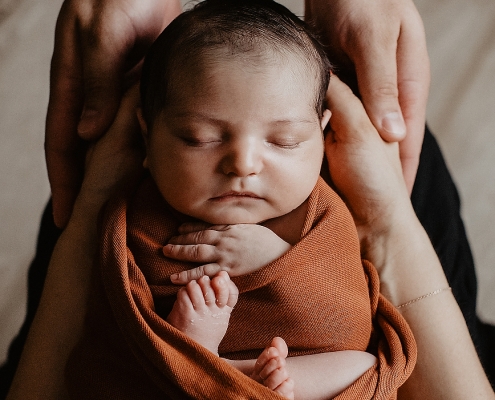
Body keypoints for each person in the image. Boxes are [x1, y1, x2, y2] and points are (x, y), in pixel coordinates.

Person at [1, 0, 494, 396]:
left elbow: (72, 355)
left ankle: (211, 371)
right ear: (146, 137)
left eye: (283, 142)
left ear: (323, 135)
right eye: (197, 137)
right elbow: (352, 312)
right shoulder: (134, 222)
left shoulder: (320, 213)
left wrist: (94, 206)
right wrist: (388, 222)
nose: (244, 164)